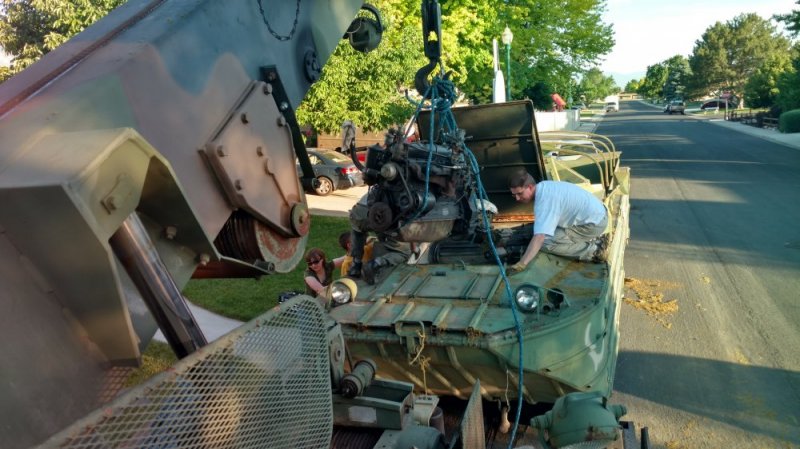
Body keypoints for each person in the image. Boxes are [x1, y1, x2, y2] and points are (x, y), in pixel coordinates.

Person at [506, 168, 609, 275]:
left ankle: (594, 251)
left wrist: (522, 264)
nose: (517, 198)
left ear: (530, 187)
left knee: (545, 243)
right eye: (514, 195)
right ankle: (592, 241)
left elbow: (540, 237)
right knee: (538, 232)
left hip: (594, 224)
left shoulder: (545, 201)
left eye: (520, 193)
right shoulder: (544, 186)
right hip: (598, 214)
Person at [347, 193, 413, 284]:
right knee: (405, 252)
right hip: (382, 217)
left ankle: (355, 265)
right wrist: (414, 247)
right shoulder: (409, 196)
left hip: (358, 211)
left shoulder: (382, 186)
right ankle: (376, 263)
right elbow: (411, 229)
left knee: (358, 230)